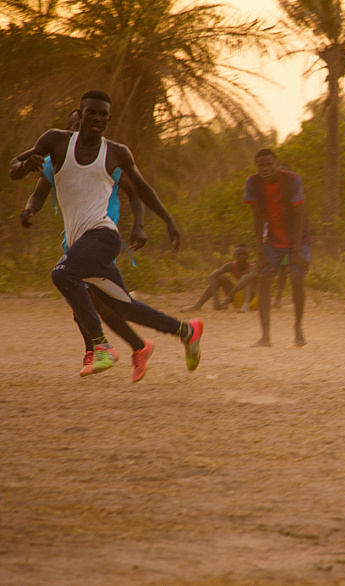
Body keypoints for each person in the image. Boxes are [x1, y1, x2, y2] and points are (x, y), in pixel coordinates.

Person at [10, 90, 204, 377]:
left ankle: (101, 347)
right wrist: (24, 169)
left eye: (103, 114)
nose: (97, 118)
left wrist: (168, 221)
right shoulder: (56, 141)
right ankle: (187, 331)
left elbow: (142, 189)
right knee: (123, 308)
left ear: (109, 118)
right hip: (80, 243)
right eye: (92, 112)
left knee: (62, 274)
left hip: (103, 236)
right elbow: (14, 167)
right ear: (81, 112)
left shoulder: (116, 152)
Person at [20, 108, 160, 381]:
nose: (77, 134)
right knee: (93, 302)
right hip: (75, 240)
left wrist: (139, 225)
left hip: (100, 237)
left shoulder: (107, 161)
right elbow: (38, 193)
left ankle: (101, 348)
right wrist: (29, 210)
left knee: (94, 299)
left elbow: (136, 192)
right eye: (72, 129)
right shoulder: (57, 160)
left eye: (79, 128)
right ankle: (134, 347)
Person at [244, 148, 310, 347]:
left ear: (276, 164)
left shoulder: (292, 180)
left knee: (297, 278)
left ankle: (298, 326)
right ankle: (265, 336)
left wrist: (296, 251)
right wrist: (260, 251)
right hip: (273, 240)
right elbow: (256, 218)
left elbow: (299, 215)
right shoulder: (253, 183)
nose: (265, 169)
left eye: (268, 164)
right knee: (263, 279)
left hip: (299, 237)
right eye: (260, 165)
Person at [184, 244, 256, 312]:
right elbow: (212, 275)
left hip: (253, 301)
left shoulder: (253, 267)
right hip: (237, 299)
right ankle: (198, 305)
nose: (241, 257)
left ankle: (245, 306)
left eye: (244, 254)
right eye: (239, 254)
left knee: (246, 279)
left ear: (248, 256)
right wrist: (216, 299)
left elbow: (244, 280)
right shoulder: (231, 266)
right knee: (220, 278)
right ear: (234, 256)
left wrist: (230, 295)